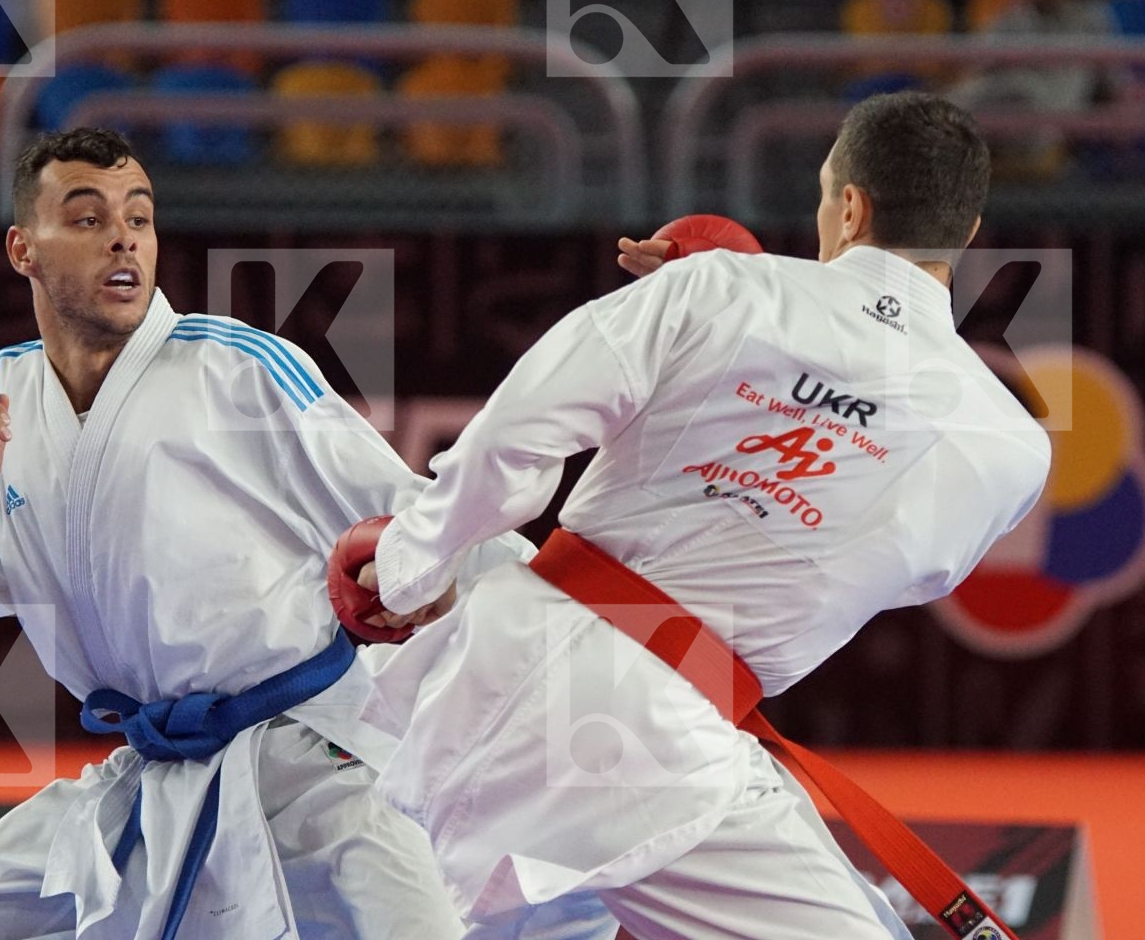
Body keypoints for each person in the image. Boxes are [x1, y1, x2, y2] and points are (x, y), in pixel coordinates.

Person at [354, 92, 1053, 939]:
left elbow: (515, 436)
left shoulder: (718, 290)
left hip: (520, 668)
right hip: (660, 746)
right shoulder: (1009, 444)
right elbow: (899, 569)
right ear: (968, 231)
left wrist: (407, 568)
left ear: (849, 205)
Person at [0, 127, 544, 940]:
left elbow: (427, 523)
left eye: (138, 218)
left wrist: (577, 624)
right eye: (85, 218)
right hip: (149, 775)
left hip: (315, 766)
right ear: (21, 250)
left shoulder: (239, 371)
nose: (122, 237)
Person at [949, 0, 1122, 177]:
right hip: (1007, 113)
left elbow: (1114, 82)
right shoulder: (1015, 16)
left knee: (1032, 86)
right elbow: (975, 67)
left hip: (1054, 122)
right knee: (993, 91)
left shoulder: (1091, 17)